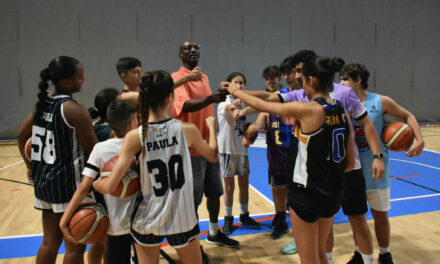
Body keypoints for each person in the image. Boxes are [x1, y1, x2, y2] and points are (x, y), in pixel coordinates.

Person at [235, 50, 385, 262]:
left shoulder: (308, 110)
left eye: (302, 79)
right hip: (332, 193)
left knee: (310, 259)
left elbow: (262, 105)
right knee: (321, 253)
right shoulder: (341, 109)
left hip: (307, 194)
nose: (299, 84)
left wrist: (236, 91)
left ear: (312, 80)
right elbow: (350, 162)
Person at [93, 70, 219, 264]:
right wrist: (211, 127)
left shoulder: (135, 136)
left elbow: (109, 186)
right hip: (182, 217)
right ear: (171, 97)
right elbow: (212, 155)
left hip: (148, 217)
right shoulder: (187, 130)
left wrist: (96, 184)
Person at [339, 63, 425, 264]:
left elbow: (408, 115)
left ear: (358, 79)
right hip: (352, 171)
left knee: (380, 215)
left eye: (345, 79)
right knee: (356, 217)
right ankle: (360, 253)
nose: (341, 83)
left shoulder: (380, 101)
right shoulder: (340, 103)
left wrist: (419, 140)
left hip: (377, 169)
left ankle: (385, 253)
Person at [17, 56, 98, 264]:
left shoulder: (41, 104)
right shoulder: (75, 110)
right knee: (75, 249)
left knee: (49, 243)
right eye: (80, 77)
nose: (84, 79)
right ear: (67, 82)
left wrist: (29, 167)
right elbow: (94, 151)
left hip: (44, 183)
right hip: (69, 187)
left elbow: (21, 137)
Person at [171, 40, 238, 259]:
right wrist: (211, 98)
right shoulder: (177, 78)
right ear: (180, 55)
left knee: (215, 192)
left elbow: (206, 104)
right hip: (191, 148)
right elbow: (184, 106)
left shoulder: (205, 76)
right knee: (193, 199)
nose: (193, 51)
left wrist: (217, 95)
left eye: (196, 48)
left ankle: (213, 232)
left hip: (210, 144)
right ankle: (192, 244)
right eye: (188, 48)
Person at [60, 100, 139, 264]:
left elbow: (83, 188)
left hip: (117, 224)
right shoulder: (142, 143)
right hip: (144, 219)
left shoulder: (100, 149)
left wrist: (64, 219)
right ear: (133, 122)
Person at [242, 81, 289, 240]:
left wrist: (245, 130)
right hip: (278, 156)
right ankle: (279, 215)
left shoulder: (268, 113)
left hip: (282, 156)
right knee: (277, 188)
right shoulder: (280, 110)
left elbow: (254, 128)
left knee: (281, 190)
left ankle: (282, 221)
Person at [217, 72, 261, 235]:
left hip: (241, 150)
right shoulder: (223, 103)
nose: (240, 85)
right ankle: (228, 218)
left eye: (242, 83)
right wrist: (236, 107)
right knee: (229, 187)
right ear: (229, 85)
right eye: (236, 82)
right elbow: (231, 111)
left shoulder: (243, 104)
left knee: (244, 184)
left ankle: (244, 215)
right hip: (227, 150)